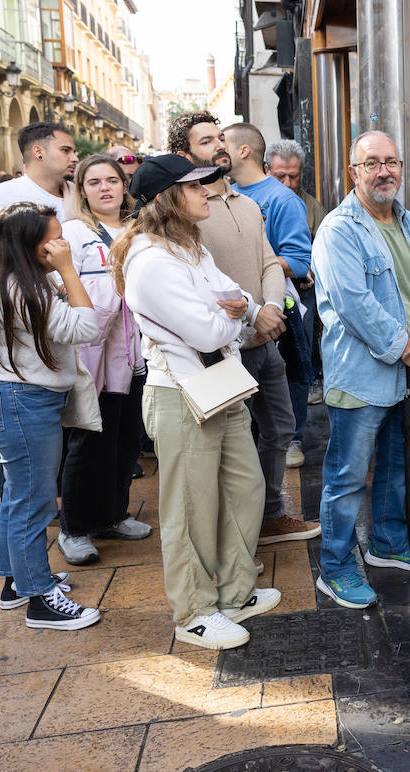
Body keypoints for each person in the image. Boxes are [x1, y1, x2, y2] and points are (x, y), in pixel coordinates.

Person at [117, 154, 280, 650]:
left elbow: (233, 297)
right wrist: (239, 315)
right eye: (195, 186)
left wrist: (240, 308)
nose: (208, 190)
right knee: (189, 509)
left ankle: (234, 592)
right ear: (166, 198)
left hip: (217, 383)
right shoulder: (150, 260)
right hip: (180, 395)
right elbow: (210, 327)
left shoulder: (189, 246)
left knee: (245, 488)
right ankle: (194, 613)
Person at [171, 112, 318, 547]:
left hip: (264, 340)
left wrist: (271, 308)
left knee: (280, 429)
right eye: (206, 141)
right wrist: (255, 314)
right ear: (185, 155)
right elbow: (201, 284)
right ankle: (229, 538)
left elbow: (270, 262)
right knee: (225, 448)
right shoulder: (184, 213)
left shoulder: (248, 203)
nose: (219, 145)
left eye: (220, 137)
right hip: (218, 351)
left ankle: (271, 514)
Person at [312, 130, 410, 609]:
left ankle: (389, 545)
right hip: (363, 376)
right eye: (372, 163)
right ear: (354, 172)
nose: (384, 170)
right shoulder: (338, 229)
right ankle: (336, 565)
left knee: (396, 467)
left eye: (391, 161)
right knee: (347, 477)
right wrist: (403, 346)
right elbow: (352, 303)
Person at [0, 202, 101, 630]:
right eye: (52, 238)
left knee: (18, 497)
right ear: (26, 244)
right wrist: (70, 272)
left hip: (10, 400)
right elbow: (84, 329)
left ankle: (17, 582)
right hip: (21, 402)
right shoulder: (25, 288)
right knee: (34, 501)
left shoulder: (2, 280)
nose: (61, 244)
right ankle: (40, 598)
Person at [54, 155, 152, 566]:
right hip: (92, 358)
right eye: (94, 182)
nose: (105, 188)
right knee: (88, 442)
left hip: (134, 356)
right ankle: (73, 527)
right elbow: (59, 287)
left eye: (112, 180)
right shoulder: (73, 234)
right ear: (82, 189)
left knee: (126, 439)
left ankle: (113, 514)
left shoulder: (138, 229)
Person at [223, 123, 315, 470]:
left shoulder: (281, 199)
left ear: (243, 150)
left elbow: (297, 259)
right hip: (232, 323)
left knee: (282, 406)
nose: (218, 149)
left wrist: (253, 265)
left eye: (223, 143)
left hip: (275, 317)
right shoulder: (221, 195)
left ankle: (288, 453)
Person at [0, 122, 79, 276]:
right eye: (66, 150)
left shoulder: (83, 197)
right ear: (39, 152)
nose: (74, 158)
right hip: (28, 298)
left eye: (74, 151)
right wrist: (25, 267)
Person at [266, 139, 326, 409]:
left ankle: (310, 378)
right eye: (281, 176)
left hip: (301, 289)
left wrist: (310, 268)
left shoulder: (312, 208)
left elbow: (323, 250)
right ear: (266, 169)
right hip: (265, 289)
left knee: (303, 342)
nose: (289, 183)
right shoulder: (251, 200)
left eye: (294, 176)